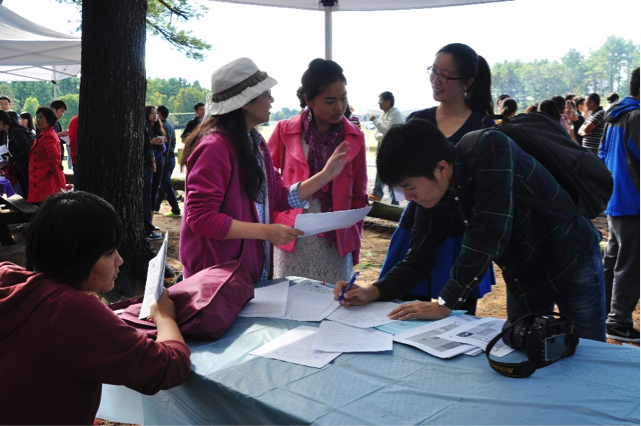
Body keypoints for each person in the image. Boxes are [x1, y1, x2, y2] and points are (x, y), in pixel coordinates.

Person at [335, 119, 606, 342]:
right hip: (523, 270)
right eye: (400, 190)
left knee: (590, 349)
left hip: (570, 254)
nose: (407, 197)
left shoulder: (490, 148)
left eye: (410, 187)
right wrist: (372, 291)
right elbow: (418, 258)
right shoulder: (435, 195)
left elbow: (487, 234)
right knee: (523, 344)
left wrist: (445, 303)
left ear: (441, 168)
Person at [0, 191, 191, 425]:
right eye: (109, 252)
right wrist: (165, 317)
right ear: (75, 256)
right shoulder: (69, 311)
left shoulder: (7, 278)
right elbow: (168, 368)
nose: (119, 261)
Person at [179, 57, 351, 282]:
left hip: (245, 270)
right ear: (246, 102)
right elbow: (201, 218)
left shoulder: (256, 143)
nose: (272, 100)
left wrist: (325, 175)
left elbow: (278, 196)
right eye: (266, 93)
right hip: (215, 276)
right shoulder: (215, 147)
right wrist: (265, 231)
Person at [378, 43, 495, 315]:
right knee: (400, 308)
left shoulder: (484, 128)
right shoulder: (418, 120)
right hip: (417, 228)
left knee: (455, 314)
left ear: (468, 81)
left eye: (445, 75)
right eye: (433, 71)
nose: (436, 80)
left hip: (460, 235)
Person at [267, 58, 368, 284]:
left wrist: (353, 243)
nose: (339, 107)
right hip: (294, 237)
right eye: (330, 100)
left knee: (334, 303)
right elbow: (267, 186)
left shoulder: (354, 137)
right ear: (308, 100)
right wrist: (274, 228)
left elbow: (360, 196)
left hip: (336, 240)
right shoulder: (285, 131)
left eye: (343, 98)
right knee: (290, 301)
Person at [599, 67, 641, 343]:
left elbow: (601, 154)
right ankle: (618, 321)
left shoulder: (613, 116)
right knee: (631, 264)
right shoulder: (637, 117)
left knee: (613, 260)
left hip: (616, 199)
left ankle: (602, 313)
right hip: (634, 201)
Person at [369, 91, 403, 205]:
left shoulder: (395, 114)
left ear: (388, 101)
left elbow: (386, 131)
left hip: (394, 148)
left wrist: (375, 120)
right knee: (387, 173)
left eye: (381, 100)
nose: (379, 103)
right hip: (385, 146)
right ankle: (390, 200)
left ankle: (380, 194)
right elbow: (378, 134)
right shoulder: (385, 114)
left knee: (389, 173)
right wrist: (380, 134)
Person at [28, 107, 67, 204]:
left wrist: (45, 173)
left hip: (47, 181)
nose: (37, 120)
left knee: (46, 208)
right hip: (43, 179)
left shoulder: (48, 135)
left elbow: (54, 157)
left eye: (41, 118)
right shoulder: (45, 133)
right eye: (36, 117)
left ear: (49, 120)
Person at [154, 105, 182, 217]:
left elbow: (163, 144)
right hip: (171, 158)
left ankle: (176, 210)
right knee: (163, 184)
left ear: (159, 113)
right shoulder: (170, 126)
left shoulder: (161, 127)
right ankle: (156, 207)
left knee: (166, 185)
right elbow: (173, 142)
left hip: (165, 160)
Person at [144, 105, 166, 240]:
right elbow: (146, 146)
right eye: (152, 113)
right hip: (149, 163)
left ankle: (150, 222)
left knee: (154, 192)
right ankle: (148, 226)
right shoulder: (144, 128)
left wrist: (160, 141)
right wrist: (151, 142)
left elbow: (163, 148)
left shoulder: (158, 128)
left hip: (159, 162)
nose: (155, 116)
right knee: (147, 193)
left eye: (156, 113)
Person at [0, 111, 34, 199]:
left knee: (28, 195)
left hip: (28, 169)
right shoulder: (8, 133)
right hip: (21, 168)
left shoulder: (17, 132)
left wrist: (12, 159)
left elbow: (28, 149)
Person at [49, 100, 68, 164]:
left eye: (63, 113)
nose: (62, 114)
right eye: (61, 111)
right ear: (54, 110)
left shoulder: (57, 123)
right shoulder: (46, 122)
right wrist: (61, 134)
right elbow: (45, 136)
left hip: (59, 154)